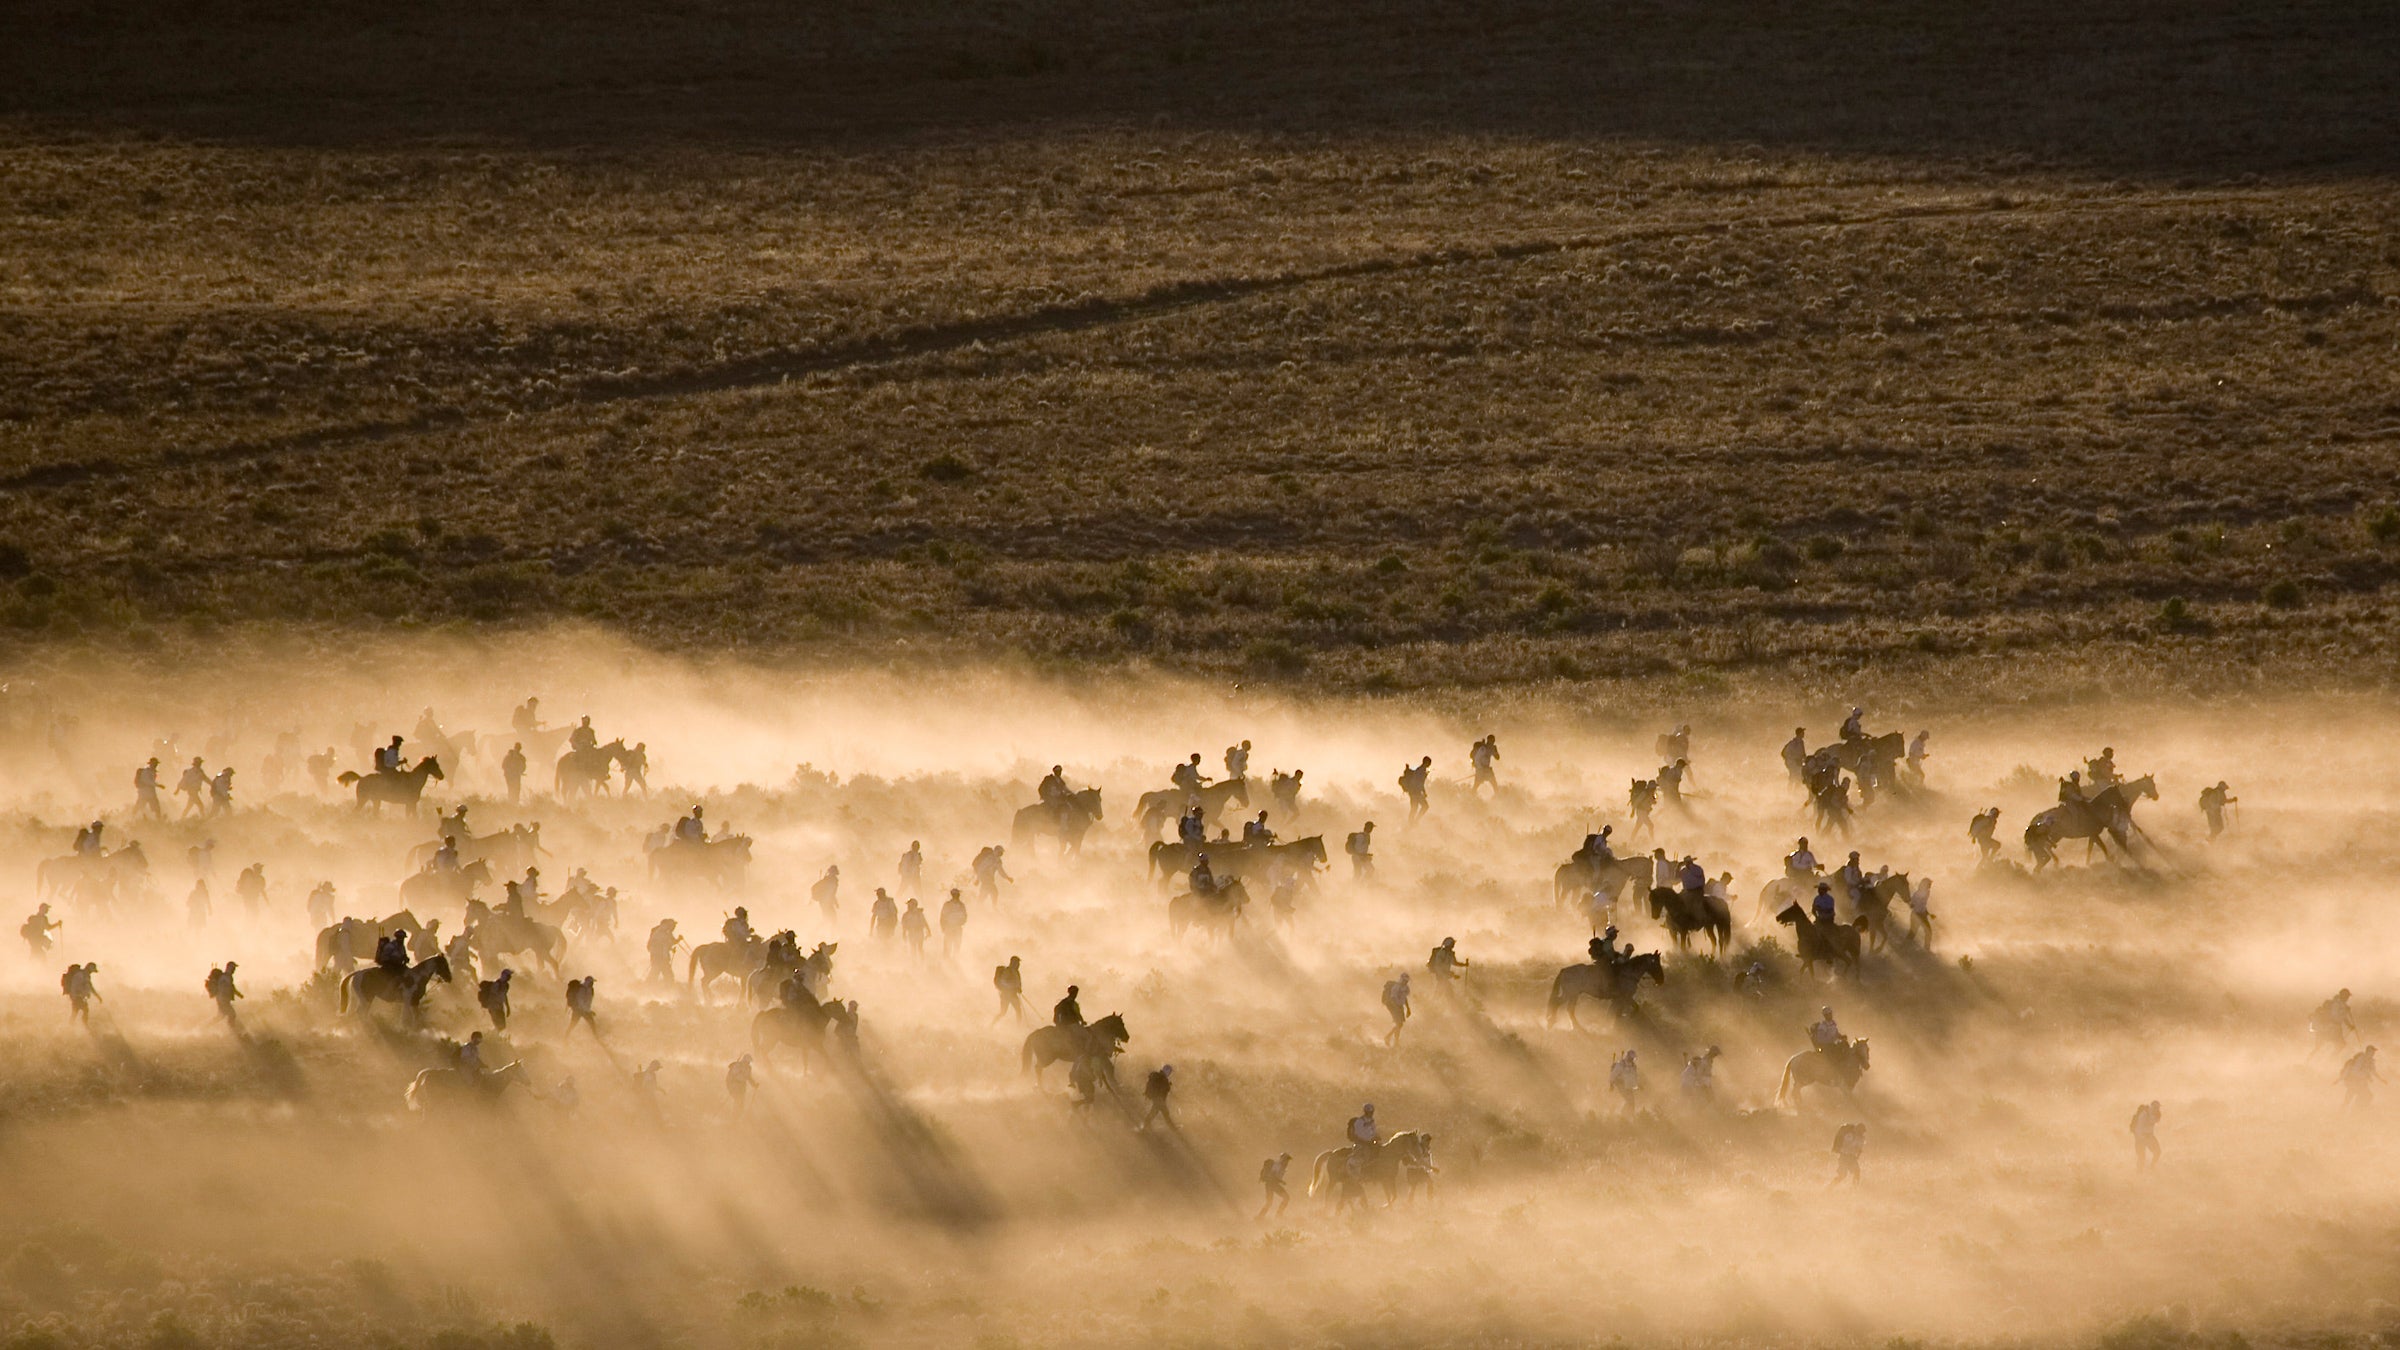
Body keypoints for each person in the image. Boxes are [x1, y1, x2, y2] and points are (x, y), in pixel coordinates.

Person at [2312, 989, 2357, 1055]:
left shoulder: (2342, 1004)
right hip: (2331, 1027)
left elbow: (2343, 1017)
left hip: (2335, 1027)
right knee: (2338, 1045)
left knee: (2339, 1045)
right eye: (2347, 996)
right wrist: (2345, 1011)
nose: (2348, 998)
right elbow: (2335, 1016)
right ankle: (2329, 1059)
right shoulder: (2336, 1003)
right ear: (2343, 995)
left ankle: (2329, 1058)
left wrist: (2349, 1025)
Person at [1139, 1064, 1175, 1131]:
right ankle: (1173, 1128)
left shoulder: (1160, 1076)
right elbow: (1163, 1089)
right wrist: (1168, 1086)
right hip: (1159, 1098)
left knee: (1155, 1112)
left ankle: (1145, 1125)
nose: (1170, 1073)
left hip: (1157, 1098)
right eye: (1169, 1072)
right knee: (1164, 1113)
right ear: (1166, 1071)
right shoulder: (1162, 1078)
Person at [1257, 1153, 1293, 1219]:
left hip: (1272, 1185)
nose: (1287, 1161)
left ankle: (1261, 1216)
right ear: (1282, 1159)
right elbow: (1272, 1176)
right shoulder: (1277, 1165)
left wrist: (1280, 1181)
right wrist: (1281, 1181)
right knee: (1284, 1198)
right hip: (1271, 1185)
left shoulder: (1282, 1166)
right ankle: (1277, 1215)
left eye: (1288, 1160)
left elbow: (1274, 1177)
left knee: (1271, 1202)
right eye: (1286, 1159)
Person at [993, 955, 1027, 1024]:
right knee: (1003, 1012)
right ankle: (992, 1024)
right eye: (1017, 962)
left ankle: (1018, 1026)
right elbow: (1003, 981)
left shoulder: (1016, 972)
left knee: (1018, 1010)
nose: (1018, 964)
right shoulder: (1007, 971)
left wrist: (1019, 988)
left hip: (1012, 994)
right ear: (1013, 962)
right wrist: (1014, 987)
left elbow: (1017, 982)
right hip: (1006, 995)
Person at [1831, 1121, 1866, 1186]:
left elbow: (1859, 1149)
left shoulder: (1860, 1138)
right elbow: (1847, 1145)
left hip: (1852, 1157)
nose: (1862, 1133)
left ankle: (1854, 1188)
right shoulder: (1849, 1135)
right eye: (1861, 1131)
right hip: (1844, 1157)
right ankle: (1830, 1187)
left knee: (1857, 1172)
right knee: (1842, 1175)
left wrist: (1857, 1155)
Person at [1381, 972, 1412, 1047]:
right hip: (1393, 1006)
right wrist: (1396, 1009)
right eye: (1405, 980)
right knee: (1399, 1024)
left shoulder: (1405, 988)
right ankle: (1392, 1040)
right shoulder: (1396, 987)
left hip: (1399, 1006)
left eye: (1407, 981)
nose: (1406, 982)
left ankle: (1391, 1039)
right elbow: (1392, 999)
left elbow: (1404, 998)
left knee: (1400, 1024)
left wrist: (1408, 1008)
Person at [1399, 757, 1432, 823]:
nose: (1430, 765)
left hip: (1413, 792)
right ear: (1426, 762)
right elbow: (1420, 783)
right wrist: (1424, 792)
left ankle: (1412, 823)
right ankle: (1414, 822)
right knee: (1424, 806)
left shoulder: (1419, 769)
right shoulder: (1422, 771)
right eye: (1429, 763)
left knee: (1414, 808)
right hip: (1416, 792)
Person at [2130, 1100, 2162, 1169]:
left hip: (2149, 1136)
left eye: (2158, 1108)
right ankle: (2139, 1175)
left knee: (2158, 1152)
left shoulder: (2156, 1115)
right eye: (2156, 1107)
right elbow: (2138, 1128)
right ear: (2152, 1107)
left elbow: (2154, 1122)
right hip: (2140, 1138)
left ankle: (2152, 1167)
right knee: (2141, 1158)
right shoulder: (2144, 1114)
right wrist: (2141, 1138)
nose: (2158, 1109)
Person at [564, 976, 598, 1040]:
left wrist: (588, 1010)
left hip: (582, 1010)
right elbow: (580, 1001)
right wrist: (588, 1011)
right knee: (573, 1025)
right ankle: (565, 1038)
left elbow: (587, 1002)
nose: (592, 983)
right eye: (592, 982)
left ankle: (565, 1037)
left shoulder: (589, 989)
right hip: (580, 1010)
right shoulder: (582, 989)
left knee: (591, 1024)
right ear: (588, 982)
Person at [1609, 1049, 1641, 1115]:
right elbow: (1613, 1075)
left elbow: (1633, 1077)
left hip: (1628, 1086)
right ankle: (1624, 1115)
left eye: (1633, 1059)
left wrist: (1637, 1086)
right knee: (1630, 1101)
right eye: (1632, 1058)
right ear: (1628, 1057)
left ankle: (1627, 1114)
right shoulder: (1620, 1065)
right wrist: (1611, 1085)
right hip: (1621, 1085)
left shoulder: (1633, 1066)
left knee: (1631, 1101)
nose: (1632, 1060)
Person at [940, 889, 968, 958]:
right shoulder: (947, 904)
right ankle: (946, 961)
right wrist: (943, 926)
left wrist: (961, 922)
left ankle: (955, 960)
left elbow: (965, 916)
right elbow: (942, 916)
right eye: (957, 894)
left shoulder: (961, 905)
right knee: (947, 945)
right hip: (949, 927)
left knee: (957, 945)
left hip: (957, 927)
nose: (958, 896)